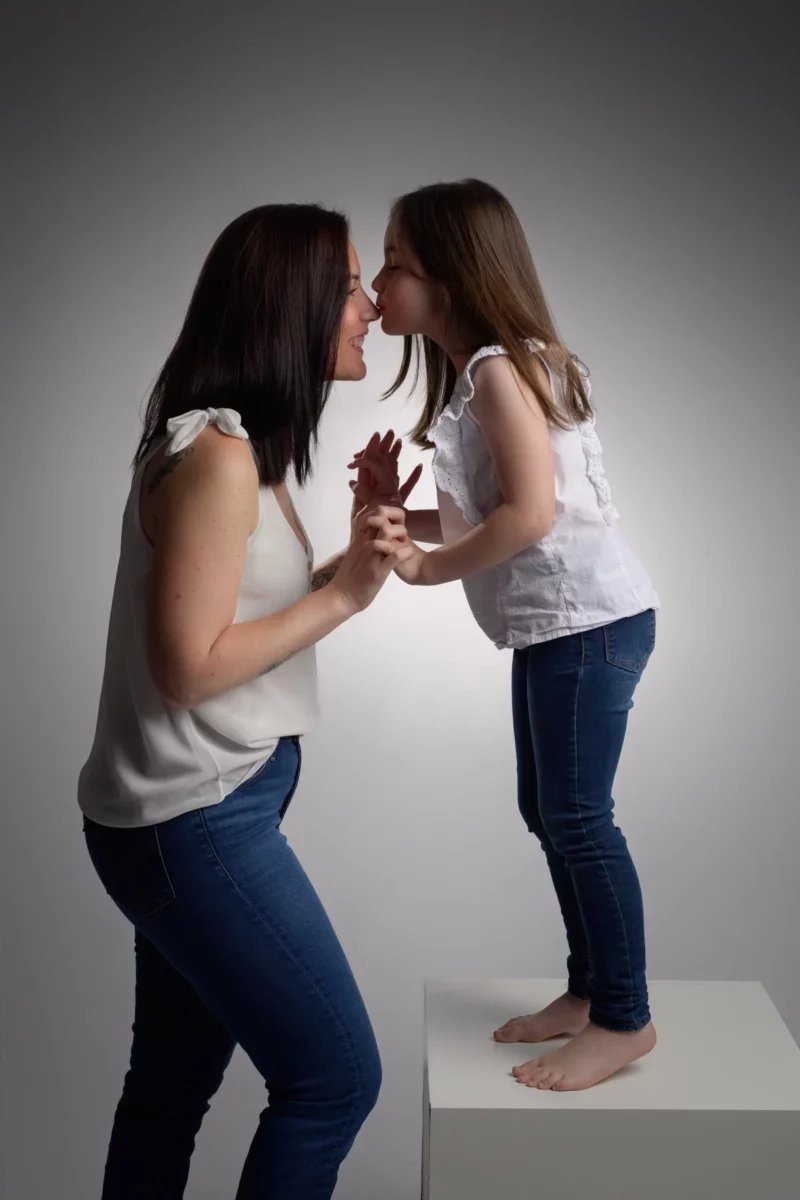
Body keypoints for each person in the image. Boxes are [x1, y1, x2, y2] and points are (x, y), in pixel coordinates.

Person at [78, 203, 418, 1198]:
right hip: (196, 822)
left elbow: (234, 621)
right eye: (348, 287)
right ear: (290, 305)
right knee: (334, 1082)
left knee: (170, 1086)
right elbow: (189, 667)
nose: (368, 308)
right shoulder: (218, 458)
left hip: (196, 815)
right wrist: (346, 599)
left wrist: (349, 554)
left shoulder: (234, 448)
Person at [350, 179, 660, 1092]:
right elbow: (498, 511)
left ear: (449, 276)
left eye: (395, 263)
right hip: (564, 627)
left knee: (578, 818)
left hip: (588, 626)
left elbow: (530, 516)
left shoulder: (496, 370)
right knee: (549, 811)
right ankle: (589, 991)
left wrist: (423, 569)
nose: (380, 285)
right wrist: (395, 512)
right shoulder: (491, 369)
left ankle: (625, 1018)